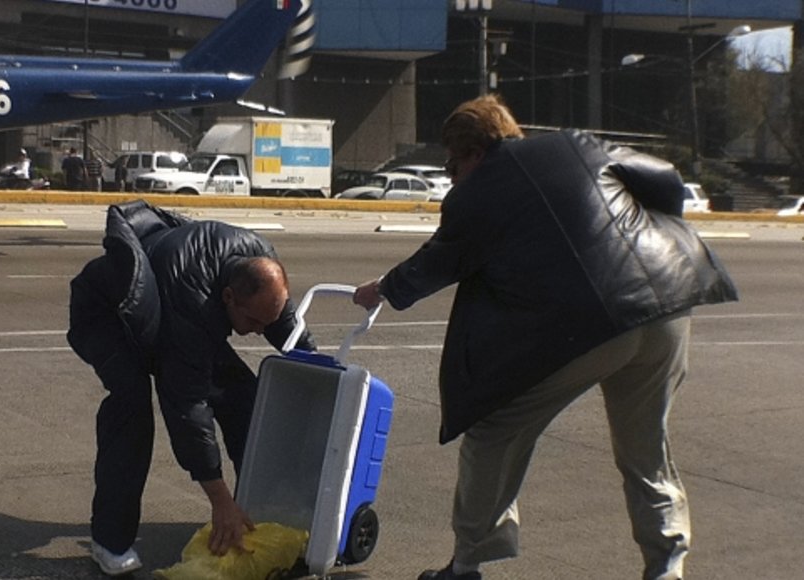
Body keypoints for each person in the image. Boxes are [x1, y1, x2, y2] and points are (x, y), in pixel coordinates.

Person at [352, 95, 738, 580]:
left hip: (587, 326)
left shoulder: (475, 194)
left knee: (494, 432)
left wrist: (383, 289)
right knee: (645, 447)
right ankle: (666, 565)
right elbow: (666, 180)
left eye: (452, 162)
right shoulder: (578, 145)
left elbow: (436, 264)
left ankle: (467, 564)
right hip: (668, 305)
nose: (450, 174)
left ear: (473, 151)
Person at [67, 200, 315, 576]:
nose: (261, 331)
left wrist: (319, 366)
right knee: (131, 413)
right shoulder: (195, 302)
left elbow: (284, 324)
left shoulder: (259, 263)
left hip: (170, 312)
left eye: (268, 321)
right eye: (254, 322)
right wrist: (219, 500)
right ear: (229, 298)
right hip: (109, 316)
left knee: (245, 398)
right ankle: (109, 542)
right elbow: (188, 406)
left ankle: (262, 513)